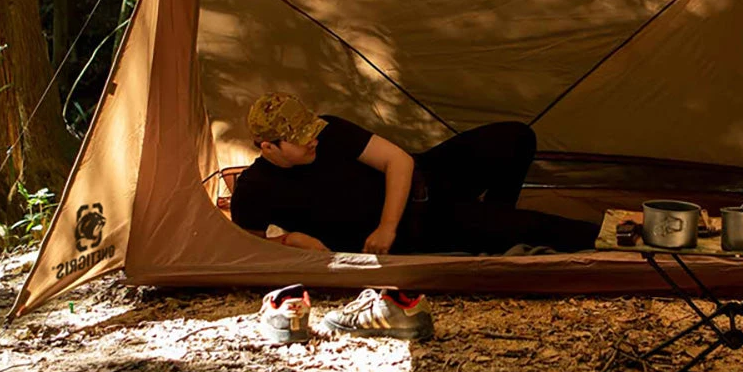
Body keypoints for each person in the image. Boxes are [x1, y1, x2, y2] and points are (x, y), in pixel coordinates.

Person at [230, 93, 600, 256]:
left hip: (426, 178)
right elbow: (245, 242)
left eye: (311, 129)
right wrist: (290, 240)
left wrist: (384, 226)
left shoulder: (329, 131)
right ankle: (623, 236)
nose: (313, 140)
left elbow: (399, 161)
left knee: (515, 136)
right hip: (420, 226)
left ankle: (495, 227)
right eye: (300, 139)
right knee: (537, 227)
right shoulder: (254, 190)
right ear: (268, 146)